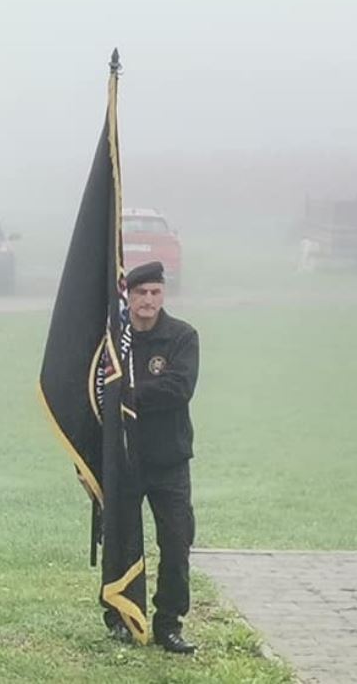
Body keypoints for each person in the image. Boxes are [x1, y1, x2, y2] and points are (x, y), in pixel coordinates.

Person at [107, 261, 200, 654]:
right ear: (128, 295)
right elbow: (94, 395)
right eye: (140, 292)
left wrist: (125, 394)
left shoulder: (181, 336)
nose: (148, 300)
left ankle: (169, 624)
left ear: (163, 295)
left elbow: (178, 388)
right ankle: (123, 618)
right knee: (122, 543)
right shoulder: (113, 341)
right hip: (124, 460)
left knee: (177, 544)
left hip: (168, 461)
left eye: (155, 293)